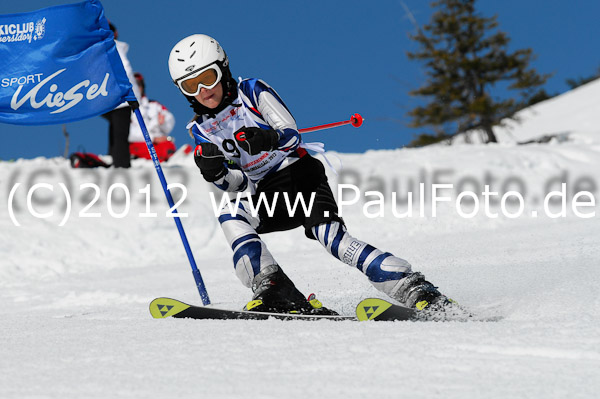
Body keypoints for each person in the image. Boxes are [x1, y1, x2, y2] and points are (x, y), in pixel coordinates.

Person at [168, 34, 457, 315]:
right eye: (191, 85)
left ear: (224, 68)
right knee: (231, 213)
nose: (203, 90)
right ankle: (274, 287)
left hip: (300, 177)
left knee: (333, 240)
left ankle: (414, 287)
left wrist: (266, 139)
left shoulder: (252, 91)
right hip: (269, 193)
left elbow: (291, 135)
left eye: (208, 78)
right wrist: (214, 172)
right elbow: (238, 182)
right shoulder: (200, 130)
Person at [102, 22, 141, 168]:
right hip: (121, 96)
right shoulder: (114, 46)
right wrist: (131, 94)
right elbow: (125, 69)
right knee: (121, 131)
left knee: (116, 128)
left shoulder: (101, 49)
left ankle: (114, 159)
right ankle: (121, 165)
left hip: (108, 95)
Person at [128, 72, 176, 162]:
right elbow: (127, 132)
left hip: (159, 144)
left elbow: (169, 121)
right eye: (133, 85)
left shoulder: (154, 105)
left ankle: (170, 158)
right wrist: (153, 138)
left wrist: (163, 122)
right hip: (139, 144)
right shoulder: (126, 108)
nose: (136, 88)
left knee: (168, 145)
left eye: (138, 84)